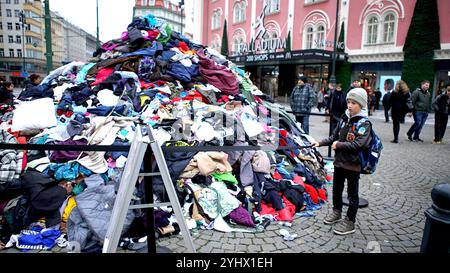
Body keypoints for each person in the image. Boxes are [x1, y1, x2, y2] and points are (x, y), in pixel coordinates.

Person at [312, 88, 372, 235]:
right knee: (337, 190)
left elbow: (359, 144)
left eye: (354, 103)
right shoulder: (344, 119)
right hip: (339, 163)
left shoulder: (364, 123)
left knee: (352, 194)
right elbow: (333, 137)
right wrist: (319, 143)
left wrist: (339, 145)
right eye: (349, 102)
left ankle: (350, 221)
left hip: (353, 164)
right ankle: (336, 211)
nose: (350, 106)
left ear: (362, 105)